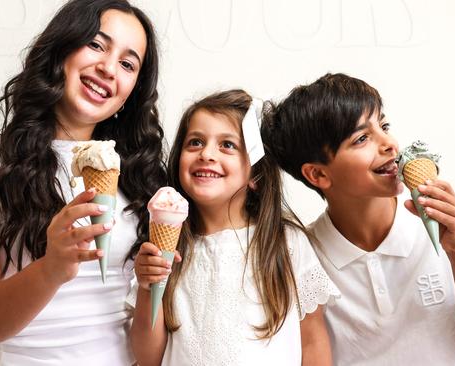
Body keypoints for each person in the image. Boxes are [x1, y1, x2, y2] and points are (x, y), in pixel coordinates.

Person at [0, 0, 166, 364]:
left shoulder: (137, 176)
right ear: (60, 49)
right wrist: (50, 269)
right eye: (97, 45)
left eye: (127, 63)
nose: (107, 68)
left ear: (131, 91)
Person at [261, 72, 455, 365]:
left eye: (384, 125)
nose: (389, 142)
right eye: (362, 138)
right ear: (319, 174)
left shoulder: (441, 222)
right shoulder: (304, 257)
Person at [129, 90, 340, 366]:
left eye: (227, 145)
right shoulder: (167, 249)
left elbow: (313, 341)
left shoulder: (285, 242)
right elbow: (147, 358)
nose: (206, 154)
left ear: (255, 174)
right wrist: (148, 287)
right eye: (195, 142)